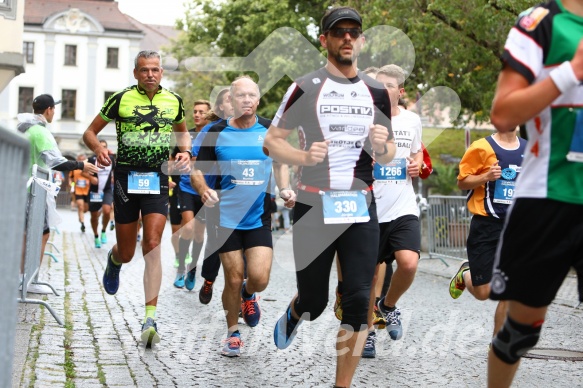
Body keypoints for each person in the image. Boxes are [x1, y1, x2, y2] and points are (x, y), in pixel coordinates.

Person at [263, 7, 395, 387]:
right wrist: (304, 157)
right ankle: (296, 309)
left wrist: (383, 147)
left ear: (362, 40)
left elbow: (386, 155)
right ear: (325, 40)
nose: (347, 38)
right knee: (316, 302)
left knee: (358, 301)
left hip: (360, 206)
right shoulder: (304, 87)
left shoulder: (377, 93)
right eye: (339, 32)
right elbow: (271, 142)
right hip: (313, 205)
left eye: (354, 32)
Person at [487, 1, 583, 387]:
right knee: (520, 334)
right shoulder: (542, 23)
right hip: (549, 199)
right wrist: (571, 71)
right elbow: (504, 115)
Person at [82, 50, 191, 347]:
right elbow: (90, 132)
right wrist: (99, 149)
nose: (150, 75)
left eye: (155, 70)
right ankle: (115, 260)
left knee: (153, 244)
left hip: (157, 177)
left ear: (161, 73)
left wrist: (185, 152)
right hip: (127, 179)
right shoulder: (121, 99)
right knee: (128, 251)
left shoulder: (174, 101)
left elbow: (183, 134)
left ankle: (150, 317)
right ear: (135, 73)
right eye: (144, 70)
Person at [191, 76, 296, 357]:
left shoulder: (269, 131)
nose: (246, 100)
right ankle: (232, 333)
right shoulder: (216, 132)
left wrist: (284, 188)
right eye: (241, 96)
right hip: (224, 217)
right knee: (233, 278)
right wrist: (203, 191)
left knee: (259, 278)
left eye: (251, 95)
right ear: (231, 101)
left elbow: (280, 163)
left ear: (258, 100)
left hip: (257, 216)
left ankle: (250, 296)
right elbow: (197, 170)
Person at [449, 125, 526, 338]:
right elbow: (462, 182)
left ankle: (498, 343)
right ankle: (466, 274)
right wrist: (486, 177)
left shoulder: (529, 150)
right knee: (484, 292)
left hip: (516, 228)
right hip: (486, 226)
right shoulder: (481, 147)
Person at [17, 94, 98, 293]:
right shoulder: (40, 132)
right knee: (39, 234)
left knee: (30, 234)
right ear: (49, 110)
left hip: (24, 188)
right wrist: (81, 165)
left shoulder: (25, 128)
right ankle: (29, 279)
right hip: (33, 191)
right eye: (54, 109)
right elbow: (55, 161)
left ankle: (23, 277)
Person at [194, 88, 234, 304]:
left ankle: (244, 291)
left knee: (245, 244)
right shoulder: (210, 131)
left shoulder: (252, 128)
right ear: (220, 107)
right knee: (216, 242)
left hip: (245, 195)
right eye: (229, 100)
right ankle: (209, 279)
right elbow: (196, 161)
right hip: (216, 193)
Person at [173, 100, 211, 289]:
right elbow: (175, 159)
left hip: (205, 189)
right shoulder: (186, 136)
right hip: (187, 187)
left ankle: (192, 267)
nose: (196, 115)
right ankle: (181, 267)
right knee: (187, 228)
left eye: (201, 112)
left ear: (208, 114)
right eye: (195, 111)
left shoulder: (214, 134)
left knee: (198, 234)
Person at [88, 140, 115, 248]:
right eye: (101, 146)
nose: (103, 148)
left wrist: (113, 177)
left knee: (107, 210)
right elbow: (83, 173)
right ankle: (96, 236)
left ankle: (103, 230)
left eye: (104, 147)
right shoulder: (92, 159)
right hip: (94, 191)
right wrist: (91, 178)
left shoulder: (111, 159)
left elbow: (115, 171)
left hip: (107, 190)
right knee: (94, 216)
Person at [69, 154, 92, 232]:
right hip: (78, 190)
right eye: (80, 159)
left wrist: (90, 181)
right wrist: (70, 183)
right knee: (80, 206)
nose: (81, 161)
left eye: (83, 159)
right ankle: (82, 223)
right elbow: (70, 177)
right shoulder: (74, 169)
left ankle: (81, 215)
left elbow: (93, 177)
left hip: (87, 190)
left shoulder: (89, 168)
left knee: (86, 209)